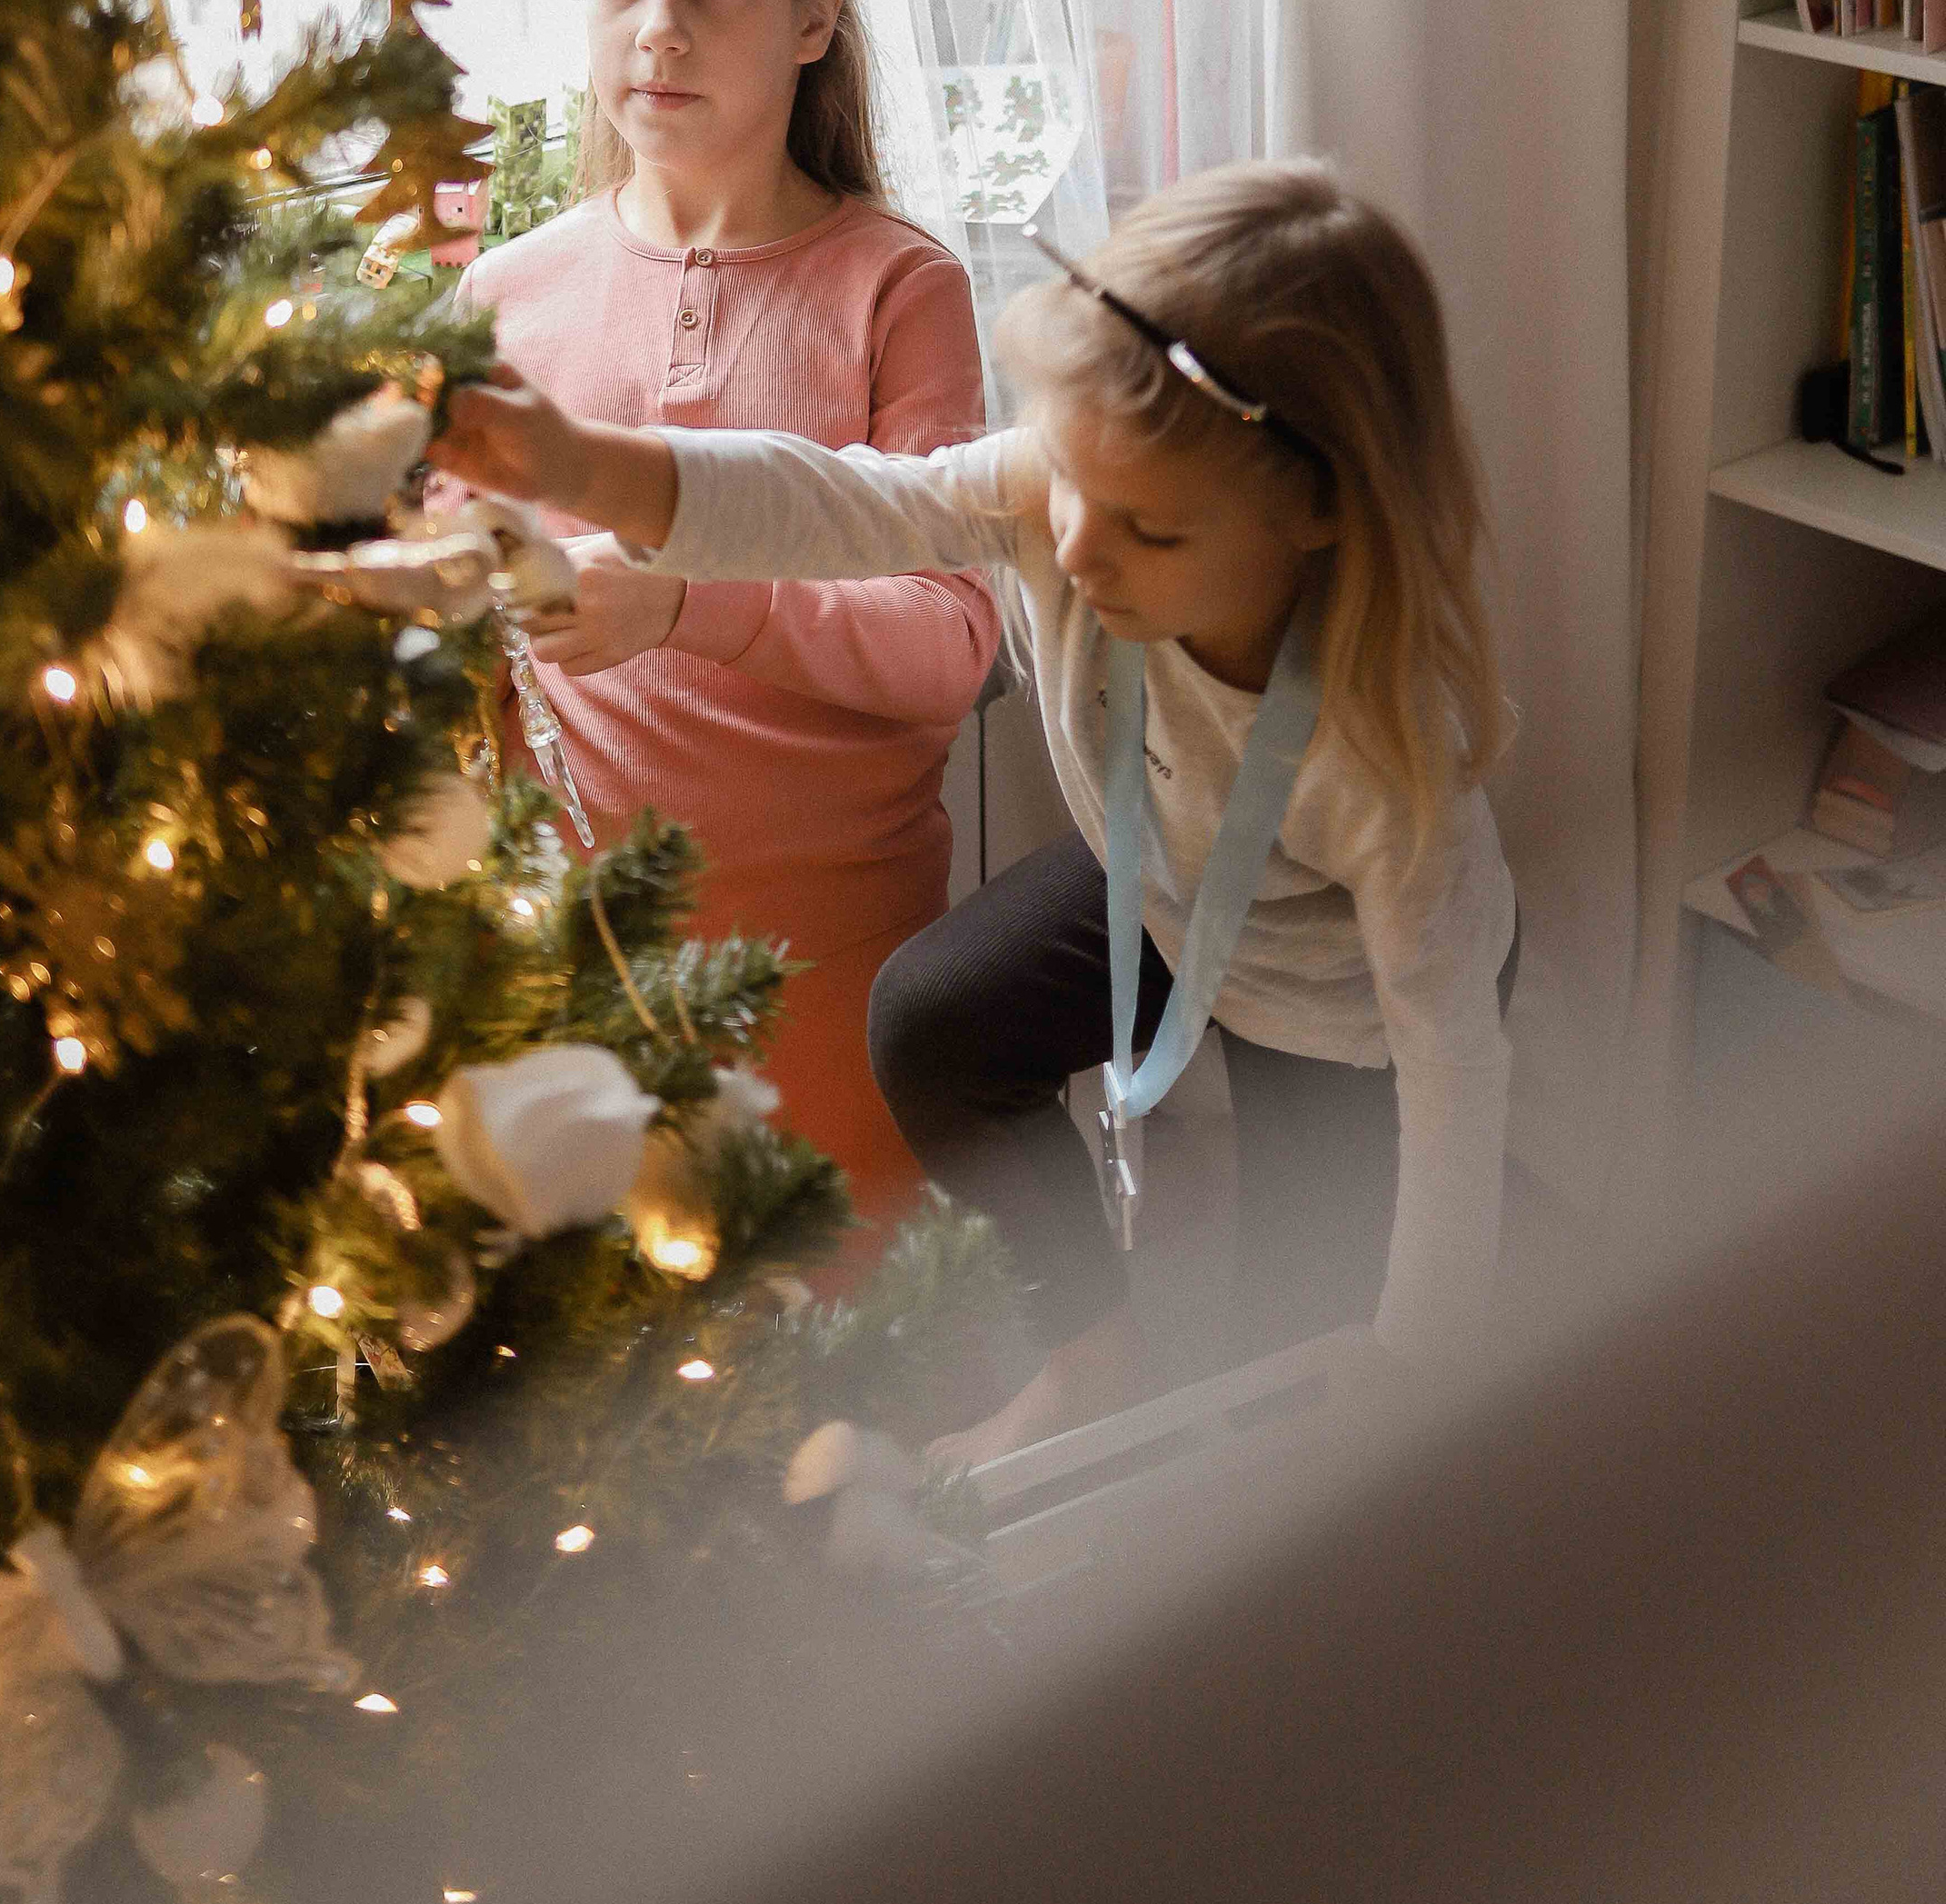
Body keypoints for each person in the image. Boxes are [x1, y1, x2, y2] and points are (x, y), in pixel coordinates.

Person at [435, 158, 1518, 1461]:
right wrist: (585, 467)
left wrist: (1415, 1360)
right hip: (1172, 883)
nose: (1071, 548)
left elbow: (1455, 1066)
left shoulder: (1385, 762)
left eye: (1148, 533)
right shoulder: (1078, 491)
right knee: (938, 1021)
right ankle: (1092, 1360)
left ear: (1321, 512)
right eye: (1063, 480)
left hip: (1347, 1008)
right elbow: (840, 499)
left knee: (1293, 1372)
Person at [464, 0, 998, 1227]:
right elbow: (458, 629)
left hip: (837, 950)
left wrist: (688, 608)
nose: (659, 29)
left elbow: (948, 649)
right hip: (586, 954)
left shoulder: (898, 289)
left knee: (847, 1379)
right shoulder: (504, 296)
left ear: (817, 17)